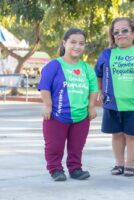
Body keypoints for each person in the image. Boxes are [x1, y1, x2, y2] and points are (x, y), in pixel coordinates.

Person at [94, 17, 134, 176]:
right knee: (116, 134)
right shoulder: (106, 54)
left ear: (133, 33)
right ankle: (119, 164)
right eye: (116, 32)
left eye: (124, 31)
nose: (120, 34)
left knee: (132, 135)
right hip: (112, 103)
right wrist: (100, 90)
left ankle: (129, 165)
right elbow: (98, 74)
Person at [38, 28, 98, 181]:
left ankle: (75, 169)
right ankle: (55, 169)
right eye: (73, 42)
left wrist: (91, 107)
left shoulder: (87, 68)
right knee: (54, 147)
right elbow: (44, 86)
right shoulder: (54, 65)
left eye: (81, 43)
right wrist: (48, 105)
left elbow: (93, 89)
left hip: (81, 116)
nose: (77, 46)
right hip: (56, 115)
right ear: (64, 43)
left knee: (76, 147)